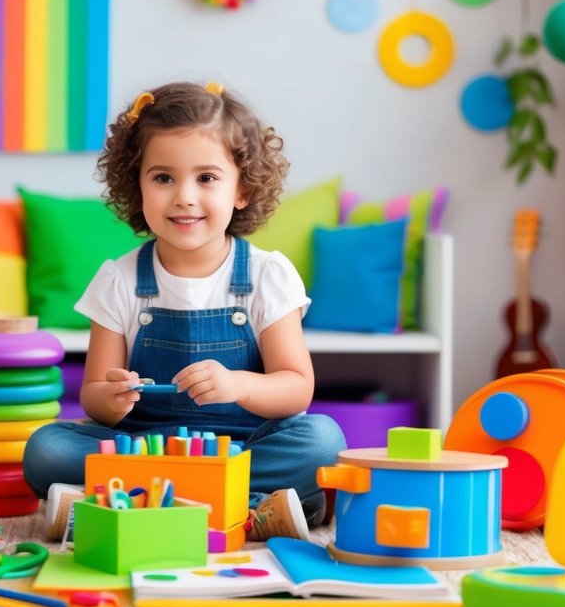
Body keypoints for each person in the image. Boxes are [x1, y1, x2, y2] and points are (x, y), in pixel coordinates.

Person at [23, 81, 346, 541]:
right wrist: (112, 398)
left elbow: (295, 388)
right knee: (47, 449)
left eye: (207, 178)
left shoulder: (266, 275)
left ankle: (125, 505)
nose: (184, 196)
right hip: (142, 448)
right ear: (137, 186)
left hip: (240, 449)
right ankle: (244, 509)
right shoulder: (119, 280)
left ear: (242, 189)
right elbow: (95, 394)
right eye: (163, 177)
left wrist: (237, 385)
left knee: (323, 441)